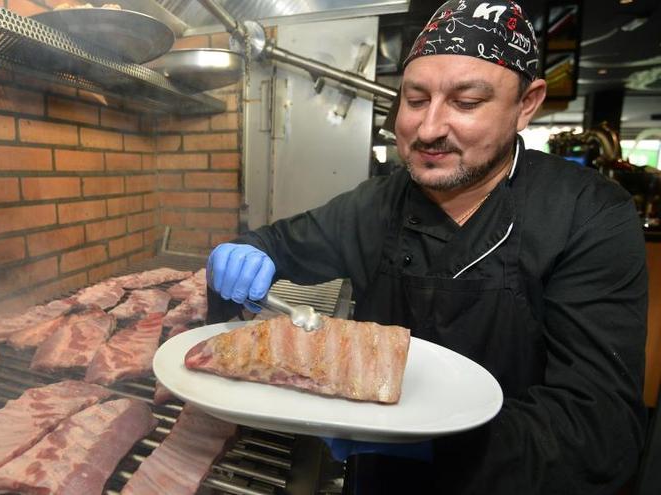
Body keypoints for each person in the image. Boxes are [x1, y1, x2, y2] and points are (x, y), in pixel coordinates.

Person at [206, 1, 648, 493]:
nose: (429, 128)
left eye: (466, 102)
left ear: (527, 104)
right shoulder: (376, 204)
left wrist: (426, 442)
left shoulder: (588, 215)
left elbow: (600, 430)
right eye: (415, 100)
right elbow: (279, 245)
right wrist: (247, 251)